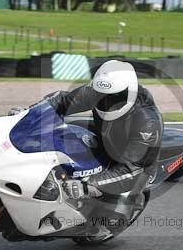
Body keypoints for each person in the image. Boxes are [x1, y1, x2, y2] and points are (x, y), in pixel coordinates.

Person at [43, 60, 163, 198]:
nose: (107, 103)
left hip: (134, 167)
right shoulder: (99, 91)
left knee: (112, 214)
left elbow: (132, 169)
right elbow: (62, 101)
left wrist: (88, 185)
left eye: (116, 98)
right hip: (106, 138)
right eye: (101, 97)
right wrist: (27, 113)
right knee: (66, 129)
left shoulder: (148, 121)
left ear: (130, 91)